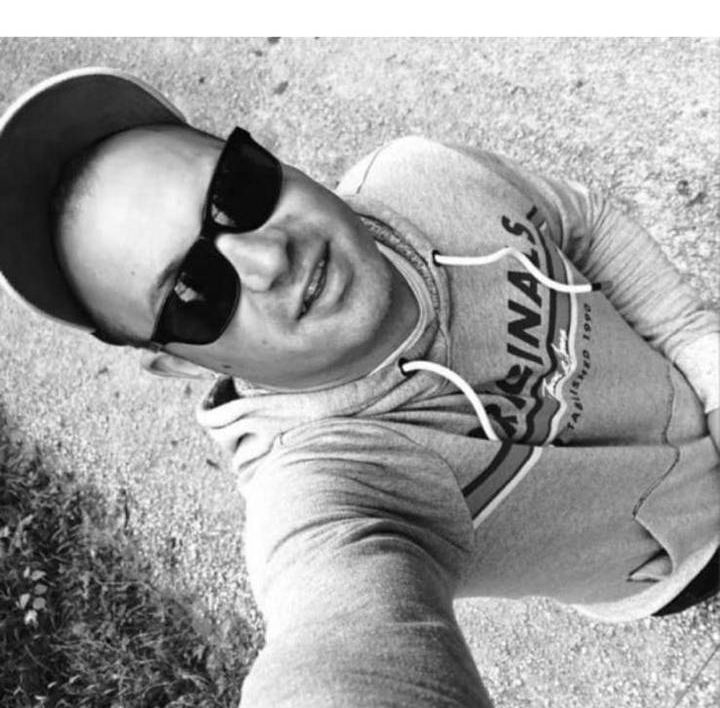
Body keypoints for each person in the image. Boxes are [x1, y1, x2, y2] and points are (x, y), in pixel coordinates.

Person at [1, 67, 718, 708]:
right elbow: (338, 638)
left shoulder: (424, 172)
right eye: (194, 291)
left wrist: (696, 346)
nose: (268, 257)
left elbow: (582, 223)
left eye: (235, 190)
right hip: (685, 560)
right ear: (184, 365)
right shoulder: (328, 486)